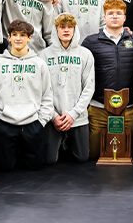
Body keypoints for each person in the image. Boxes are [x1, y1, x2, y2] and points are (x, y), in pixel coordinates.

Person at [0, 20, 53, 171]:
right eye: (14, 35)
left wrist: (40, 123)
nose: (18, 38)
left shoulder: (39, 64)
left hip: (32, 123)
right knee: (5, 168)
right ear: (9, 37)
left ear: (30, 38)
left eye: (22, 35)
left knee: (35, 167)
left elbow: (47, 96)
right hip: (5, 124)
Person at [81, 0, 133, 160]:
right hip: (98, 107)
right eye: (110, 14)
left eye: (118, 14)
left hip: (129, 108)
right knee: (94, 154)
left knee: (127, 154)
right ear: (104, 17)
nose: (114, 17)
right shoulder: (90, 42)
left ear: (125, 17)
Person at [39, 14, 95, 163]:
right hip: (52, 117)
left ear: (75, 29)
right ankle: (59, 142)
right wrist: (53, 116)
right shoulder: (43, 55)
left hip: (76, 116)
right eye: (62, 27)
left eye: (70, 27)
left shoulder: (85, 54)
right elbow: (39, 90)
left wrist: (73, 114)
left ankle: (67, 142)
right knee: (48, 160)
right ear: (55, 29)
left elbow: (89, 88)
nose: (66, 30)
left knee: (82, 158)